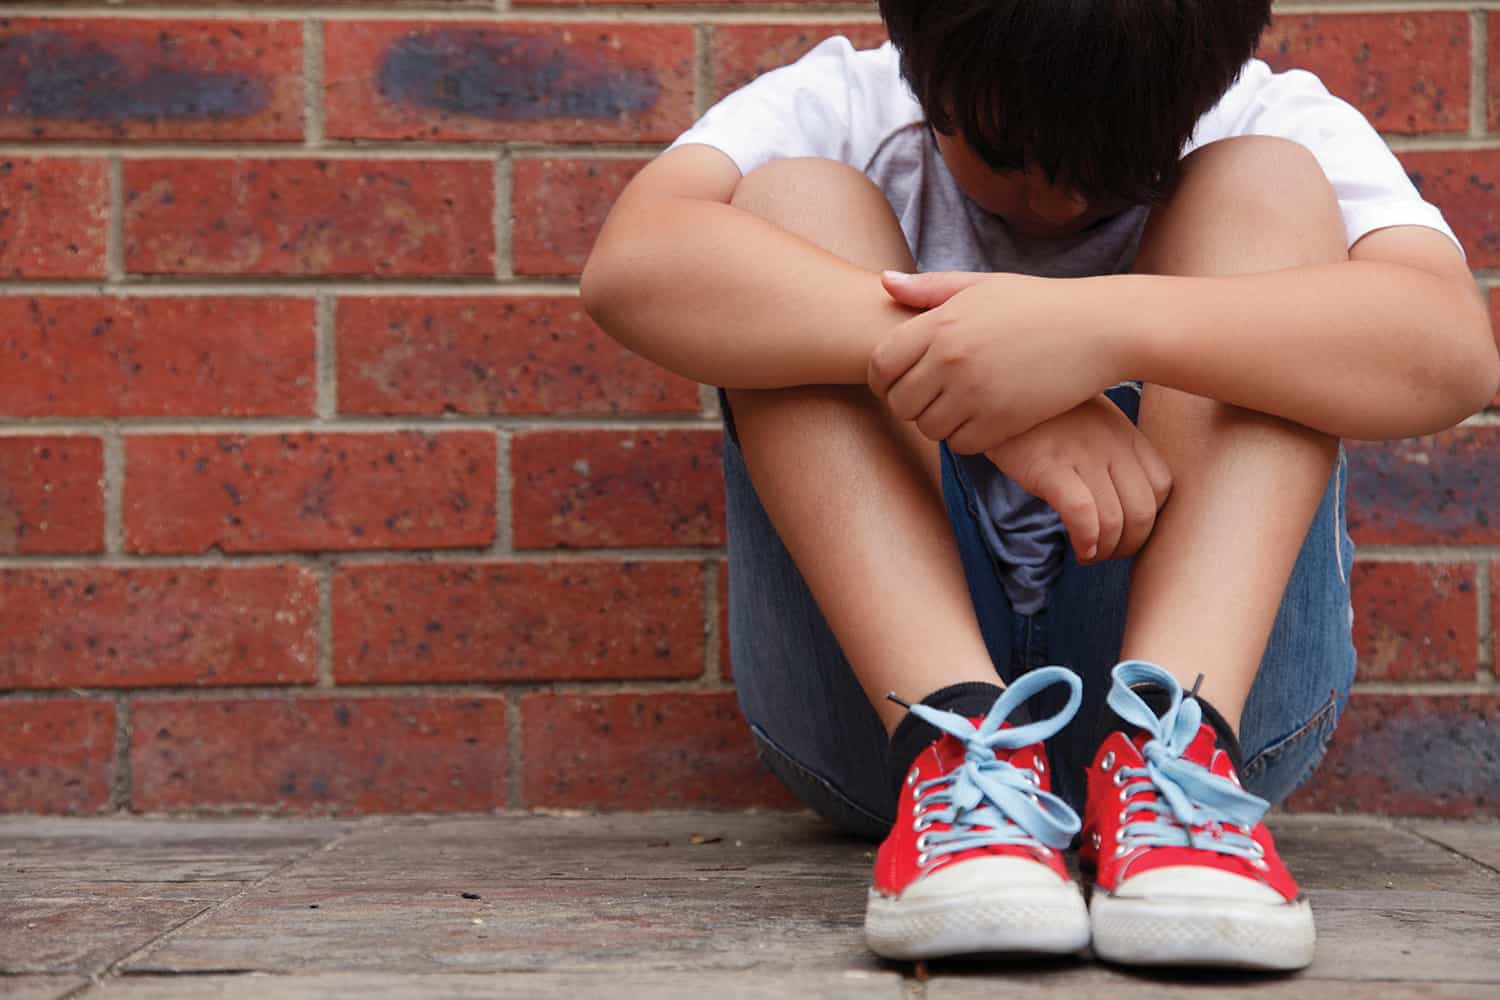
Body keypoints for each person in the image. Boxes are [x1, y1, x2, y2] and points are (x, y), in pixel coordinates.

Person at [580, 0, 1499, 971]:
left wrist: (1106, 331)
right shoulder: (842, 103)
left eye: (1108, 175)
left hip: (1216, 698)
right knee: (787, 206)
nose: (1055, 202)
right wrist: (961, 369)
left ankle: (1171, 761)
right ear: (923, 73)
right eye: (1009, 154)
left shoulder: (1260, 115)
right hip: (879, 724)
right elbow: (631, 265)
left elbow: (1453, 352)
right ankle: (959, 745)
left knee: (1267, 189)